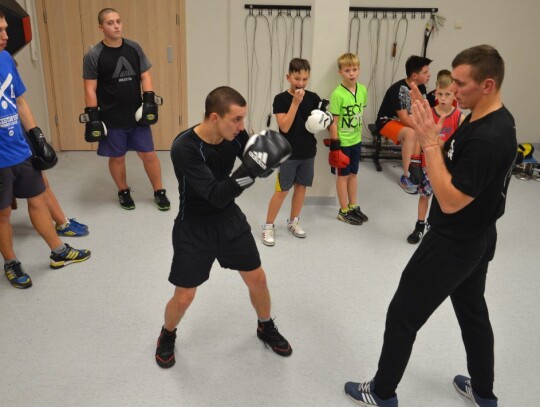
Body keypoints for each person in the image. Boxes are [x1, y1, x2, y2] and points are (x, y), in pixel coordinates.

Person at [344, 45, 516, 407]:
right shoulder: (488, 116)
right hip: (478, 238)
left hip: (454, 242)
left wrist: (429, 142)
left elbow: (452, 200)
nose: (453, 90)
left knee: (402, 315)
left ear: (487, 84)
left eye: (460, 83)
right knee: (472, 311)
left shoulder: (490, 136)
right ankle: (484, 392)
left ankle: (381, 392)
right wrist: (434, 131)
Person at [155, 86, 293, 369]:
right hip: (194, 225)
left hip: (228, 220)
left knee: (258, 279)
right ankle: (167, 334)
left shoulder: (234, 135)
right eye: (237, 120)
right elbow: (216, 194)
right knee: (184, 297)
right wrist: (252, 171)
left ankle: (265, 326)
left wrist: (264, 161)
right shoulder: (185, 148)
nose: (242, 127)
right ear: (215, 117)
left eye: (243, 120)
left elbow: (255, 163)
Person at [0, 12, 91, 289]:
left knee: (39, 198)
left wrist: (36, 136)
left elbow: (19, 100)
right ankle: (11, 263)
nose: (5, 36)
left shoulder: (5, 59)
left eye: (5, 29)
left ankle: (59, 251)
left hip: (20, 148)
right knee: (3, 215)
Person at [82, 8, 170, 211]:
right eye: (110, 23)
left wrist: (148, 101)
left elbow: (145, 76)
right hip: (111, 117)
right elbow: (90, 88)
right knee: (118, 157)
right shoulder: (94, 56)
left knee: (148, 154)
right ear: (101, 27)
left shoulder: (133, 48)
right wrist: (93, 116)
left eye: (118, 21)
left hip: (136, 115)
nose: (116, 26)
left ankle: (159, 191)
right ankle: (123, 191)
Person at [261, 58, 324, 246]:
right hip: (287, 154)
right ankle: (268, 226)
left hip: (308, 152)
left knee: (301, 187)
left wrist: (325, 118)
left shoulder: (314, 98)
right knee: (282, 190)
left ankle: (293, 221)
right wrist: (295, 103)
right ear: (288, 77)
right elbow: (285, 127)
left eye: (305, 79)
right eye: (297, 79)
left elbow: (317, 124)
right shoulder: (280, 99)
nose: (301, 83)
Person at [407, 71, 464, 244]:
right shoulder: (429, 114)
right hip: (427, 164)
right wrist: (415, 160)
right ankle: (419, 225)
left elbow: (459, 145)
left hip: (446, 167)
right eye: (440, 94)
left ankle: (439, 227)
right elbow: (419, 137)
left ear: (454, 94)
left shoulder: (459, 117)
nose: (443, 98)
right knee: (424, 196)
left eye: (448, 94)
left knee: (444, 200)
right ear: (435, 93)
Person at [375, 55, 432, 194]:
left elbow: (422, 111)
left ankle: (419, 170)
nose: (429, 75)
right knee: (411, 133)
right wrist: (421, 127)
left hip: (405, 122)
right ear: (414, 75)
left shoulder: (422, 88)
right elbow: (404, 118)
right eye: (425, 72)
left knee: (420, 132)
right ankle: (406, 176)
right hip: (386, 121)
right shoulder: (399, 89)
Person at [328, 52, 369, 225]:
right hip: (343, 142)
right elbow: (333, 122)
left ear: (359, 70)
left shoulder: (363, 90)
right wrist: (335, 145)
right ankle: (343, 210)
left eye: (354, 69)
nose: (351, 73)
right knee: (343, 176)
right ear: (340, 72)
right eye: (347, 70)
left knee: (353, 174)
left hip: (356, 140)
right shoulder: (337, 94)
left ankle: (353, 205)